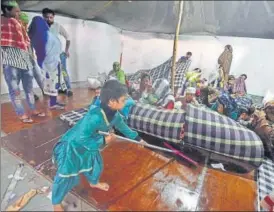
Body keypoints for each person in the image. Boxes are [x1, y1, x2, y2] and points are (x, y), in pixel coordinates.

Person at [51, 80, 146, 211]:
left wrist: (138, 139)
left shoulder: (115, 115)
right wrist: (105, 141)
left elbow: (123, 127)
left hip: (91, 143)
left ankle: (93, 182)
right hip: (73, 146)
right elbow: (81, 137)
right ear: (112, 101)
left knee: (96, 165)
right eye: (123, 100)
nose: (125, 103)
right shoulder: (94, 116)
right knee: (66, 175)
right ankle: (56, 202)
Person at [1, 1, 45, 123]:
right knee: (15, 91)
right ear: (6, 10)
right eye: (16, 11)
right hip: (11, 62)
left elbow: (26, 43)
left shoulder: (19, 24)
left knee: (29, 89)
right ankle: (21, 114)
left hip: (25, 61)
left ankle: (33, 110)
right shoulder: (3, 22)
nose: (18, 13)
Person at [28, 16, 65, 110]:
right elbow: (52, 48)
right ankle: (53, 104)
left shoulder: (33, 36)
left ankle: (53, 102)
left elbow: (35, 51)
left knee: (49, 82)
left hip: (43, 63)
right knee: (54, 83)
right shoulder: (45, 35)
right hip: (52, 62)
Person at [42, 8, 73, 97]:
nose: (49, 19)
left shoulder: (57, 26)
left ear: (53, 17)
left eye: (51, 17)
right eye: (46, 17)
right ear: (43, 17)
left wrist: (66, 51)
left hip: (60, 55)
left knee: (63, 71)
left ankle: (69, 88)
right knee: (50, 74)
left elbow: (68, 37)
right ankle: (54, 89)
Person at [18, 12, 45, 101]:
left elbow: (31, 44)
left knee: (38, 75)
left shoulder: (28, 32)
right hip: (21, 59)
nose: (25, 25)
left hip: (31, 58)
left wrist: (33, 54)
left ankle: (44, 91)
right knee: (27, 78)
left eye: (26, 23)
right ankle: (31, 94)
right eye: (23, 23)